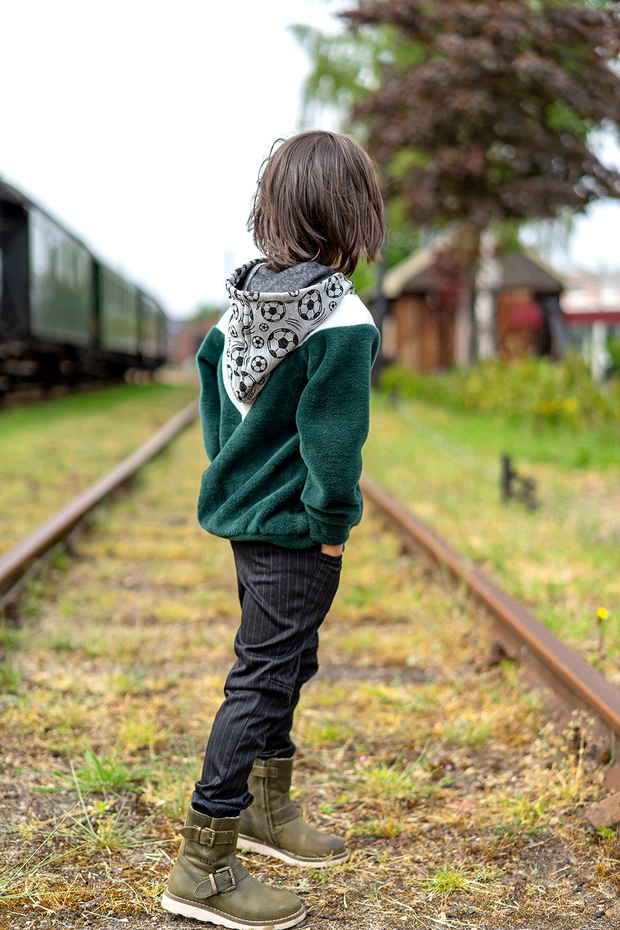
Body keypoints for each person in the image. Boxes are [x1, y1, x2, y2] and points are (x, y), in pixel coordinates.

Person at [162, 129, 385, 929]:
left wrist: (244, 493)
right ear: (352, 211)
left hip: (249, 526)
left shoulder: (237, 310)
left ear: (274, 208)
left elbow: (218, 425)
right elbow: (336, 449)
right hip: (295, 531)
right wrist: (331, 526)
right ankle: (204, 863)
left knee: (286, 659)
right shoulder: (342, 319)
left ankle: (265, 808)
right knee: (262, 678)